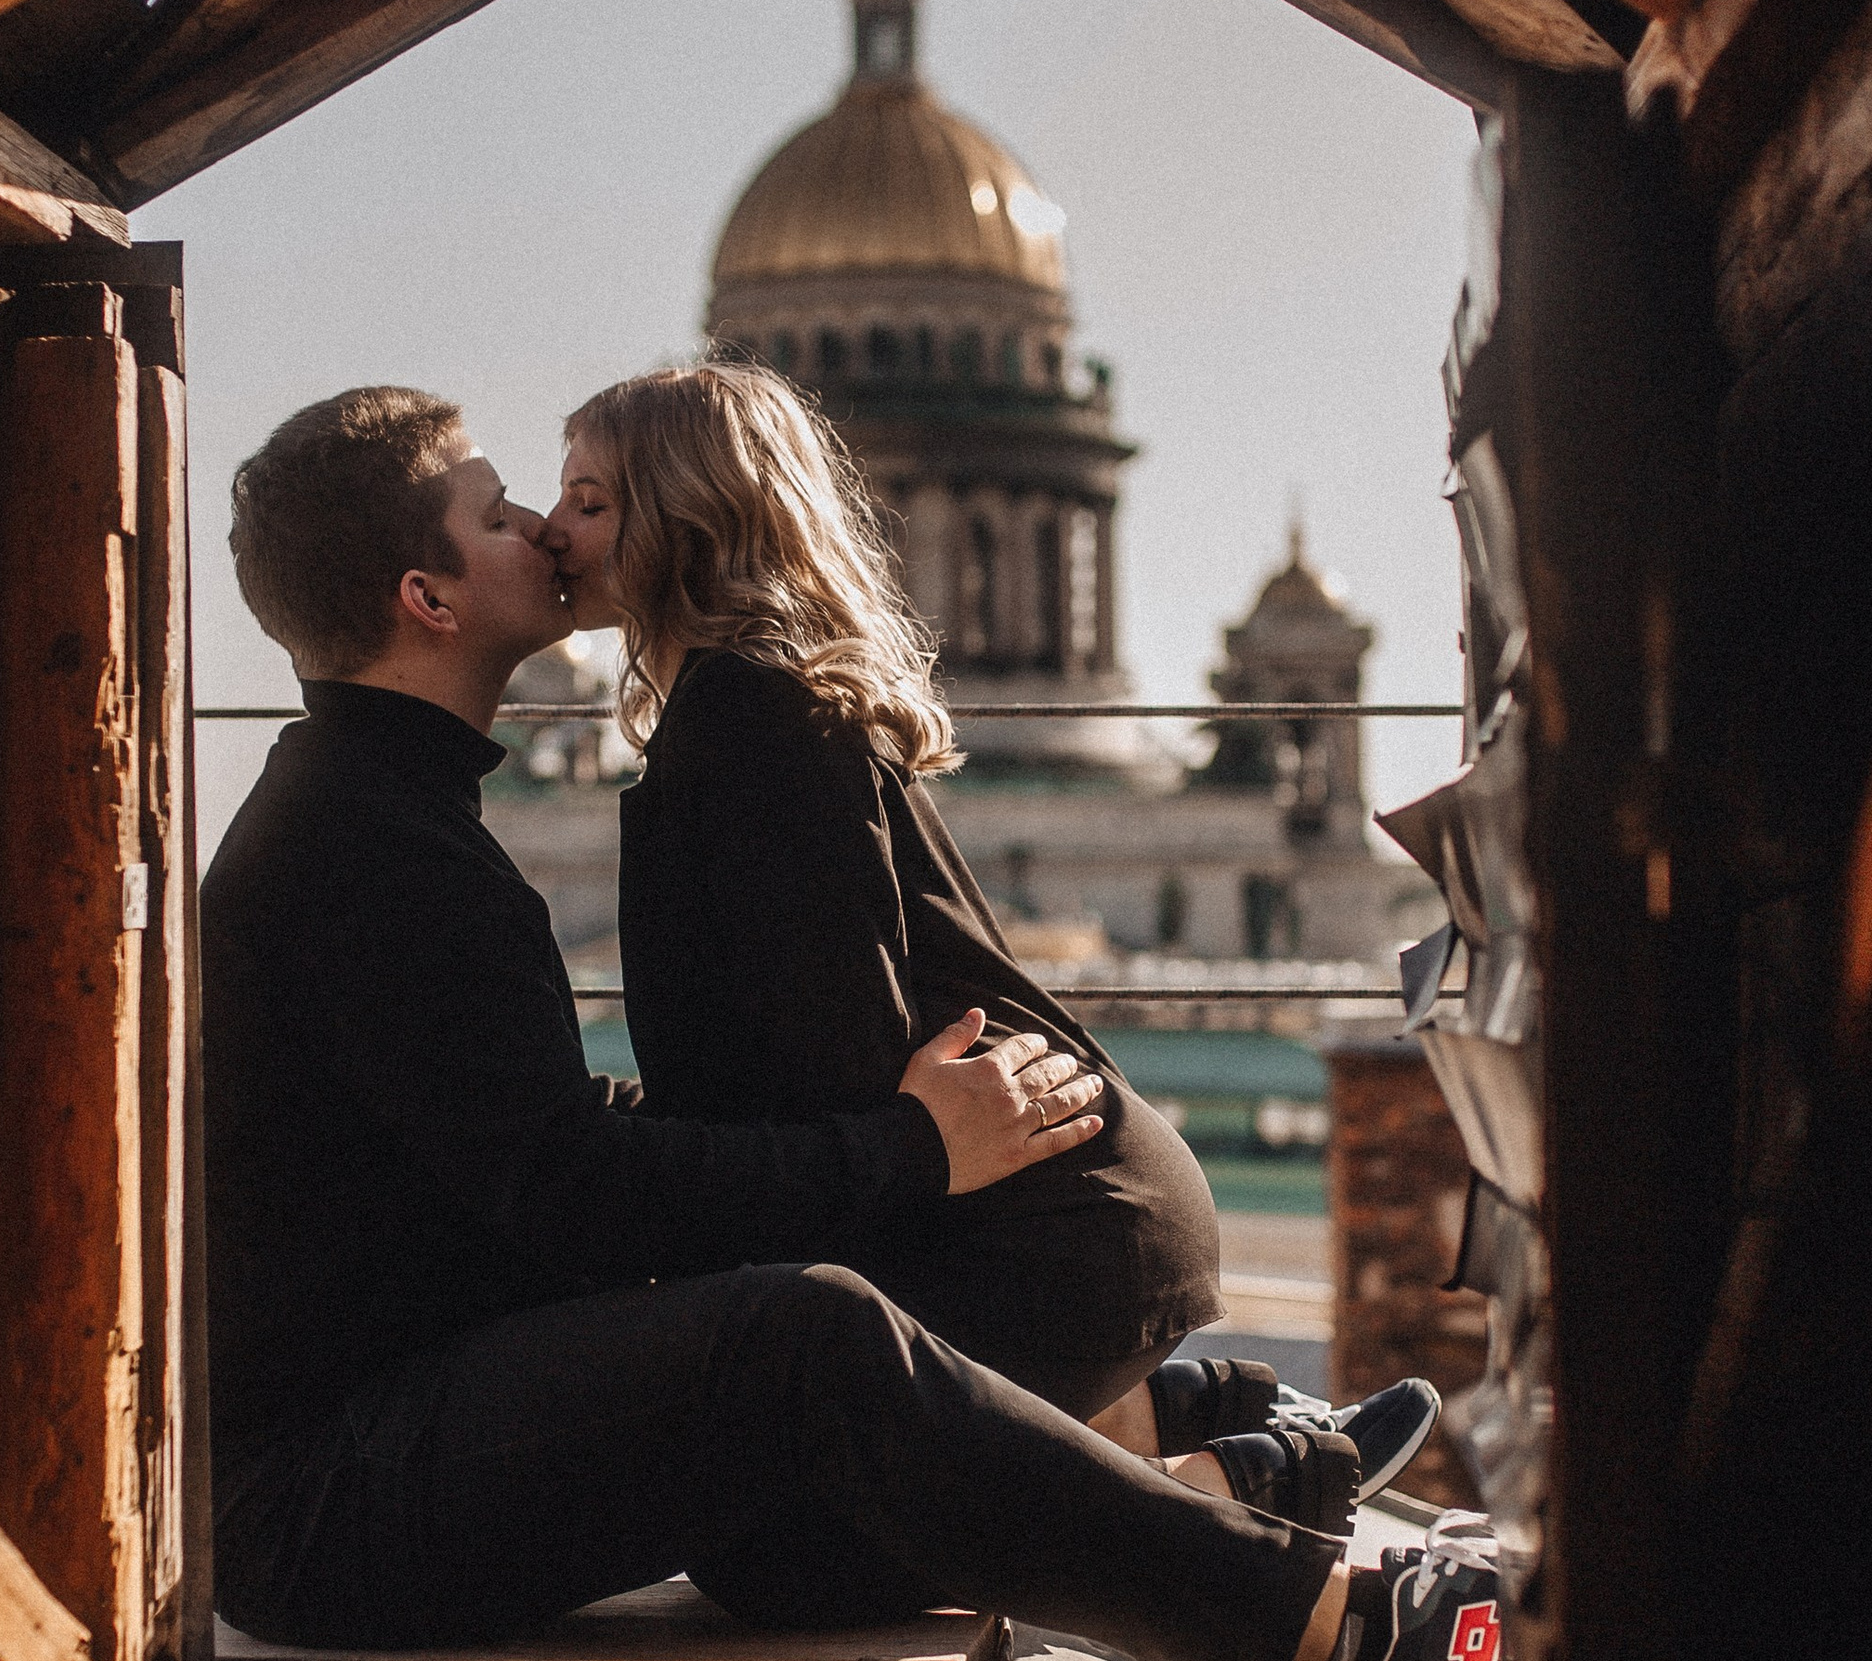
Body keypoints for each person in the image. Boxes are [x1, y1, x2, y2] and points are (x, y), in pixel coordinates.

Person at [201, 386, 1499, 1661]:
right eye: (499, 512)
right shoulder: (374, 847)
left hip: (384, 1434)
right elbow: (571, 1188)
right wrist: (912, 1149)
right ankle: (1318, 1626)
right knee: (801, 1350)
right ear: (427, 596)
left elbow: (524, 1134)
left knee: (791, 1542)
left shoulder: (375, 813)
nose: (539, 525)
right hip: (335, 1495)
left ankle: (1208, 1460)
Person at [538, 359, 1438, 1488]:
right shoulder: (759, 704)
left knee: (774, 1534)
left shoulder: (744, 715)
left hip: (1051, 1232)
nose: (544, 529)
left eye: (586, 500)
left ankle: (1224, 1491)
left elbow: (829, 1064)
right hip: (1085, 1213)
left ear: (688, 515)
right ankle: (1178, 1433)